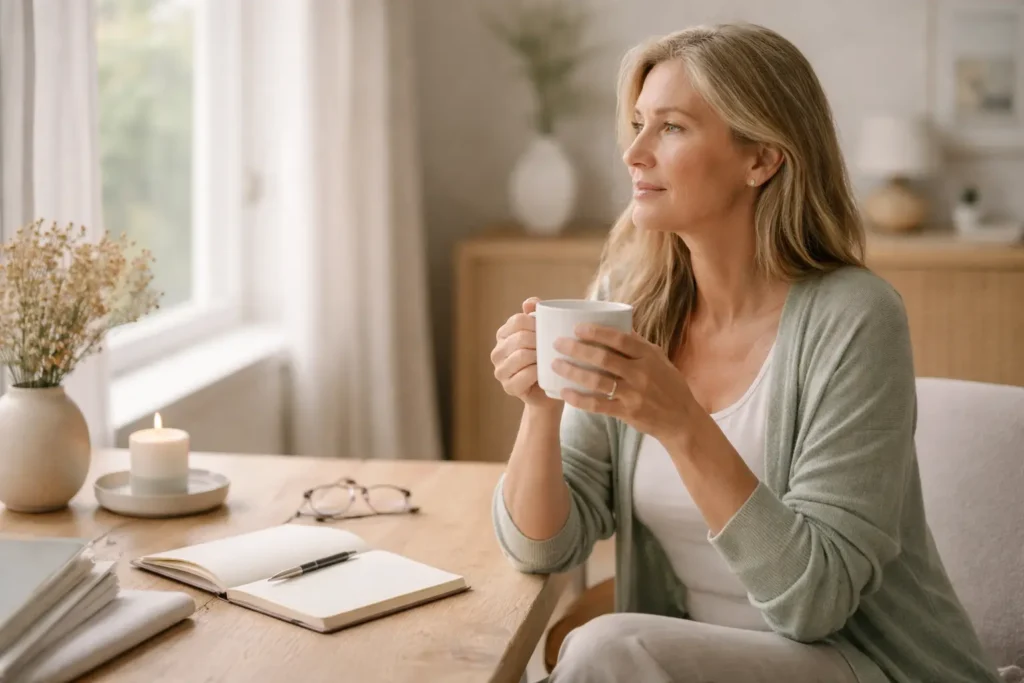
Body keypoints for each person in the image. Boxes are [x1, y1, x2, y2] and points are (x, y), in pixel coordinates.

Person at [489, 22, 1002, 683]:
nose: (634, 153)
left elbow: (815, 603)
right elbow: (542, 547)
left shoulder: (856, 318)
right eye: (638, 124)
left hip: (866, 665)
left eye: (671, 127)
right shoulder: (630, 300)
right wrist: (540, 407)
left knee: (607, 649)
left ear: (761, 159)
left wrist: (681, 423)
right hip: (699, 664)